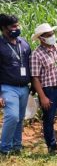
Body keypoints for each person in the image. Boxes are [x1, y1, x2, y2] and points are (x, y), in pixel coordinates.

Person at [30, 23, 57, 154]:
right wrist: (42, 97)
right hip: (48, 91)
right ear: (41, 38)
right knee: (49, 119)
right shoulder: (36, 54)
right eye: (48, 35)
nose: (52, 37)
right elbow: (35, 78)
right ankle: (52, 146)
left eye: (52, 34)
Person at [0, 14, 31, 155]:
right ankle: (4, 147)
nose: (17, 28)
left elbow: (30, 65)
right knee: (12, 116)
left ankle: (17, 146)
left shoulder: (23, 43)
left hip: (24, 87)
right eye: (13, 26)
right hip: (8, 87)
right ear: (4, 28)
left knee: (20, 118)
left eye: (18, 25)